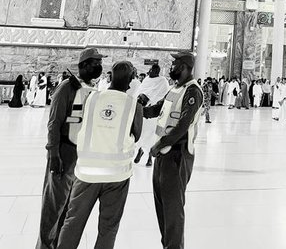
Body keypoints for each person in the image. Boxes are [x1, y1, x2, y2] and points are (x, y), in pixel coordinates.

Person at [55, 60, 143, 249]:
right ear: (132, 81)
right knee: (108, 227)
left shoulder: (92, 98)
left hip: (87, 173)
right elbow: (136, 135)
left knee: (73, 222)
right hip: (117, 176)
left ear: (110, 76)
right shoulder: (133, 105)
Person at [36, 47, 103, 249]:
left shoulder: (92, 89)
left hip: (81, 157)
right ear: (83, 65)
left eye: (100, 63)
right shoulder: (67, 87)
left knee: (69, 206)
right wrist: (53, 153)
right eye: (95, 63)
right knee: (53, 206)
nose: (99, 67)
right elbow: (54, 122)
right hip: (64, 152)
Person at [140, 51, 203, 248]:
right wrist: (135, 109)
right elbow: (157, 109)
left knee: (173, 210)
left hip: (177, 155)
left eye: (174, 64)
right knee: (162, 207)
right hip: (163, 155)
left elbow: (183, 125)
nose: (171, 67)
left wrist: (160, 144)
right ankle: (167, 244)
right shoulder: (175, 89)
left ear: (184, 67)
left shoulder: (193, 92)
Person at [135, 64, 171, 167]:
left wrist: (151, 100)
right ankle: (140, 151)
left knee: (151, 135)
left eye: (152, 70)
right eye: (150, 70)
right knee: (141, 133)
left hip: (153, 113)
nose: (150, 72)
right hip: (143, 111)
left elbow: (163, 96)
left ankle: (150, 157)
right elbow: (140, 91)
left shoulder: (163, 81)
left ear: (157, 72)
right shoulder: (146, 80)